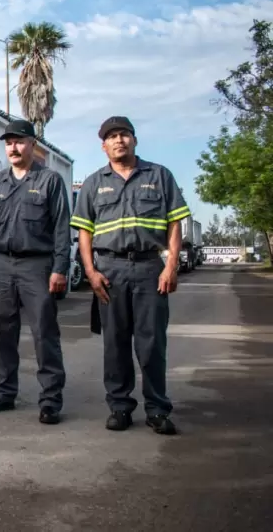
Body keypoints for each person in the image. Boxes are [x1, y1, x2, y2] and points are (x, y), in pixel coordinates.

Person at [71, 116, 189, 435]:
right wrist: (90, 271)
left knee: (152, 344)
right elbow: (84, 231)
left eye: (124, 135)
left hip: (151, 268)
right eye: (112, 137)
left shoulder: (159, 175)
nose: (119, 140)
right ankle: (120, 407)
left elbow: (176, 222)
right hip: (110, 270)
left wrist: (171, 265)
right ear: (103, 146)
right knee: (116, 344)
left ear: (134, 140)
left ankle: (157, 409)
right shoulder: (94, 183)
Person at [0, 120, 70, 425]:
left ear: (32, 145)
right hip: (1, 265)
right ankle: (3, 394)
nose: (13, 148)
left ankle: (51, 400)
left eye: (19, 142)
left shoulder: (50, 181)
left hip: (36, 266)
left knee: (44, 333)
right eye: (9, 143)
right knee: (3, 332)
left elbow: (61, 229)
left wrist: (60, 269)